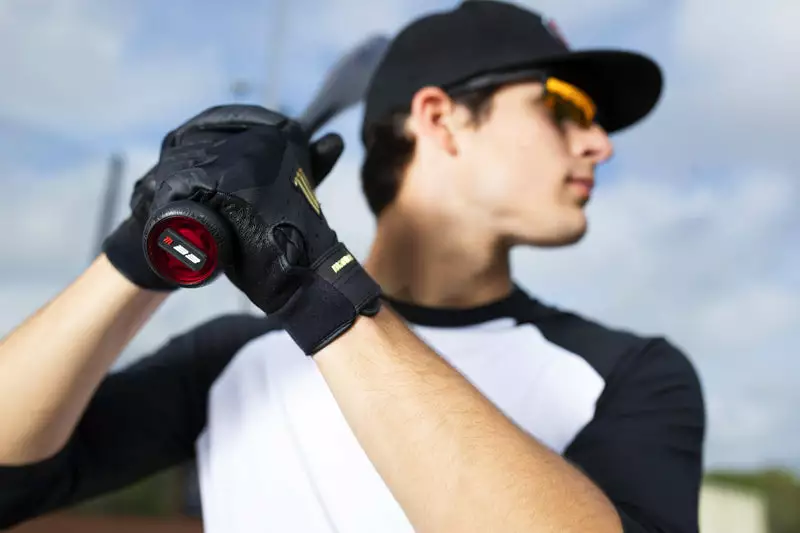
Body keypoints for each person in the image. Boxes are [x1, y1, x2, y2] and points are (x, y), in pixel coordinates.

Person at [0, 1, 705, 532]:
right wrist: (142, 244)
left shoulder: (629, 373)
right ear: (440, 119)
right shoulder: (234, 359)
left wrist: (315, 286)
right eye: (566, 107)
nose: (600, 144)